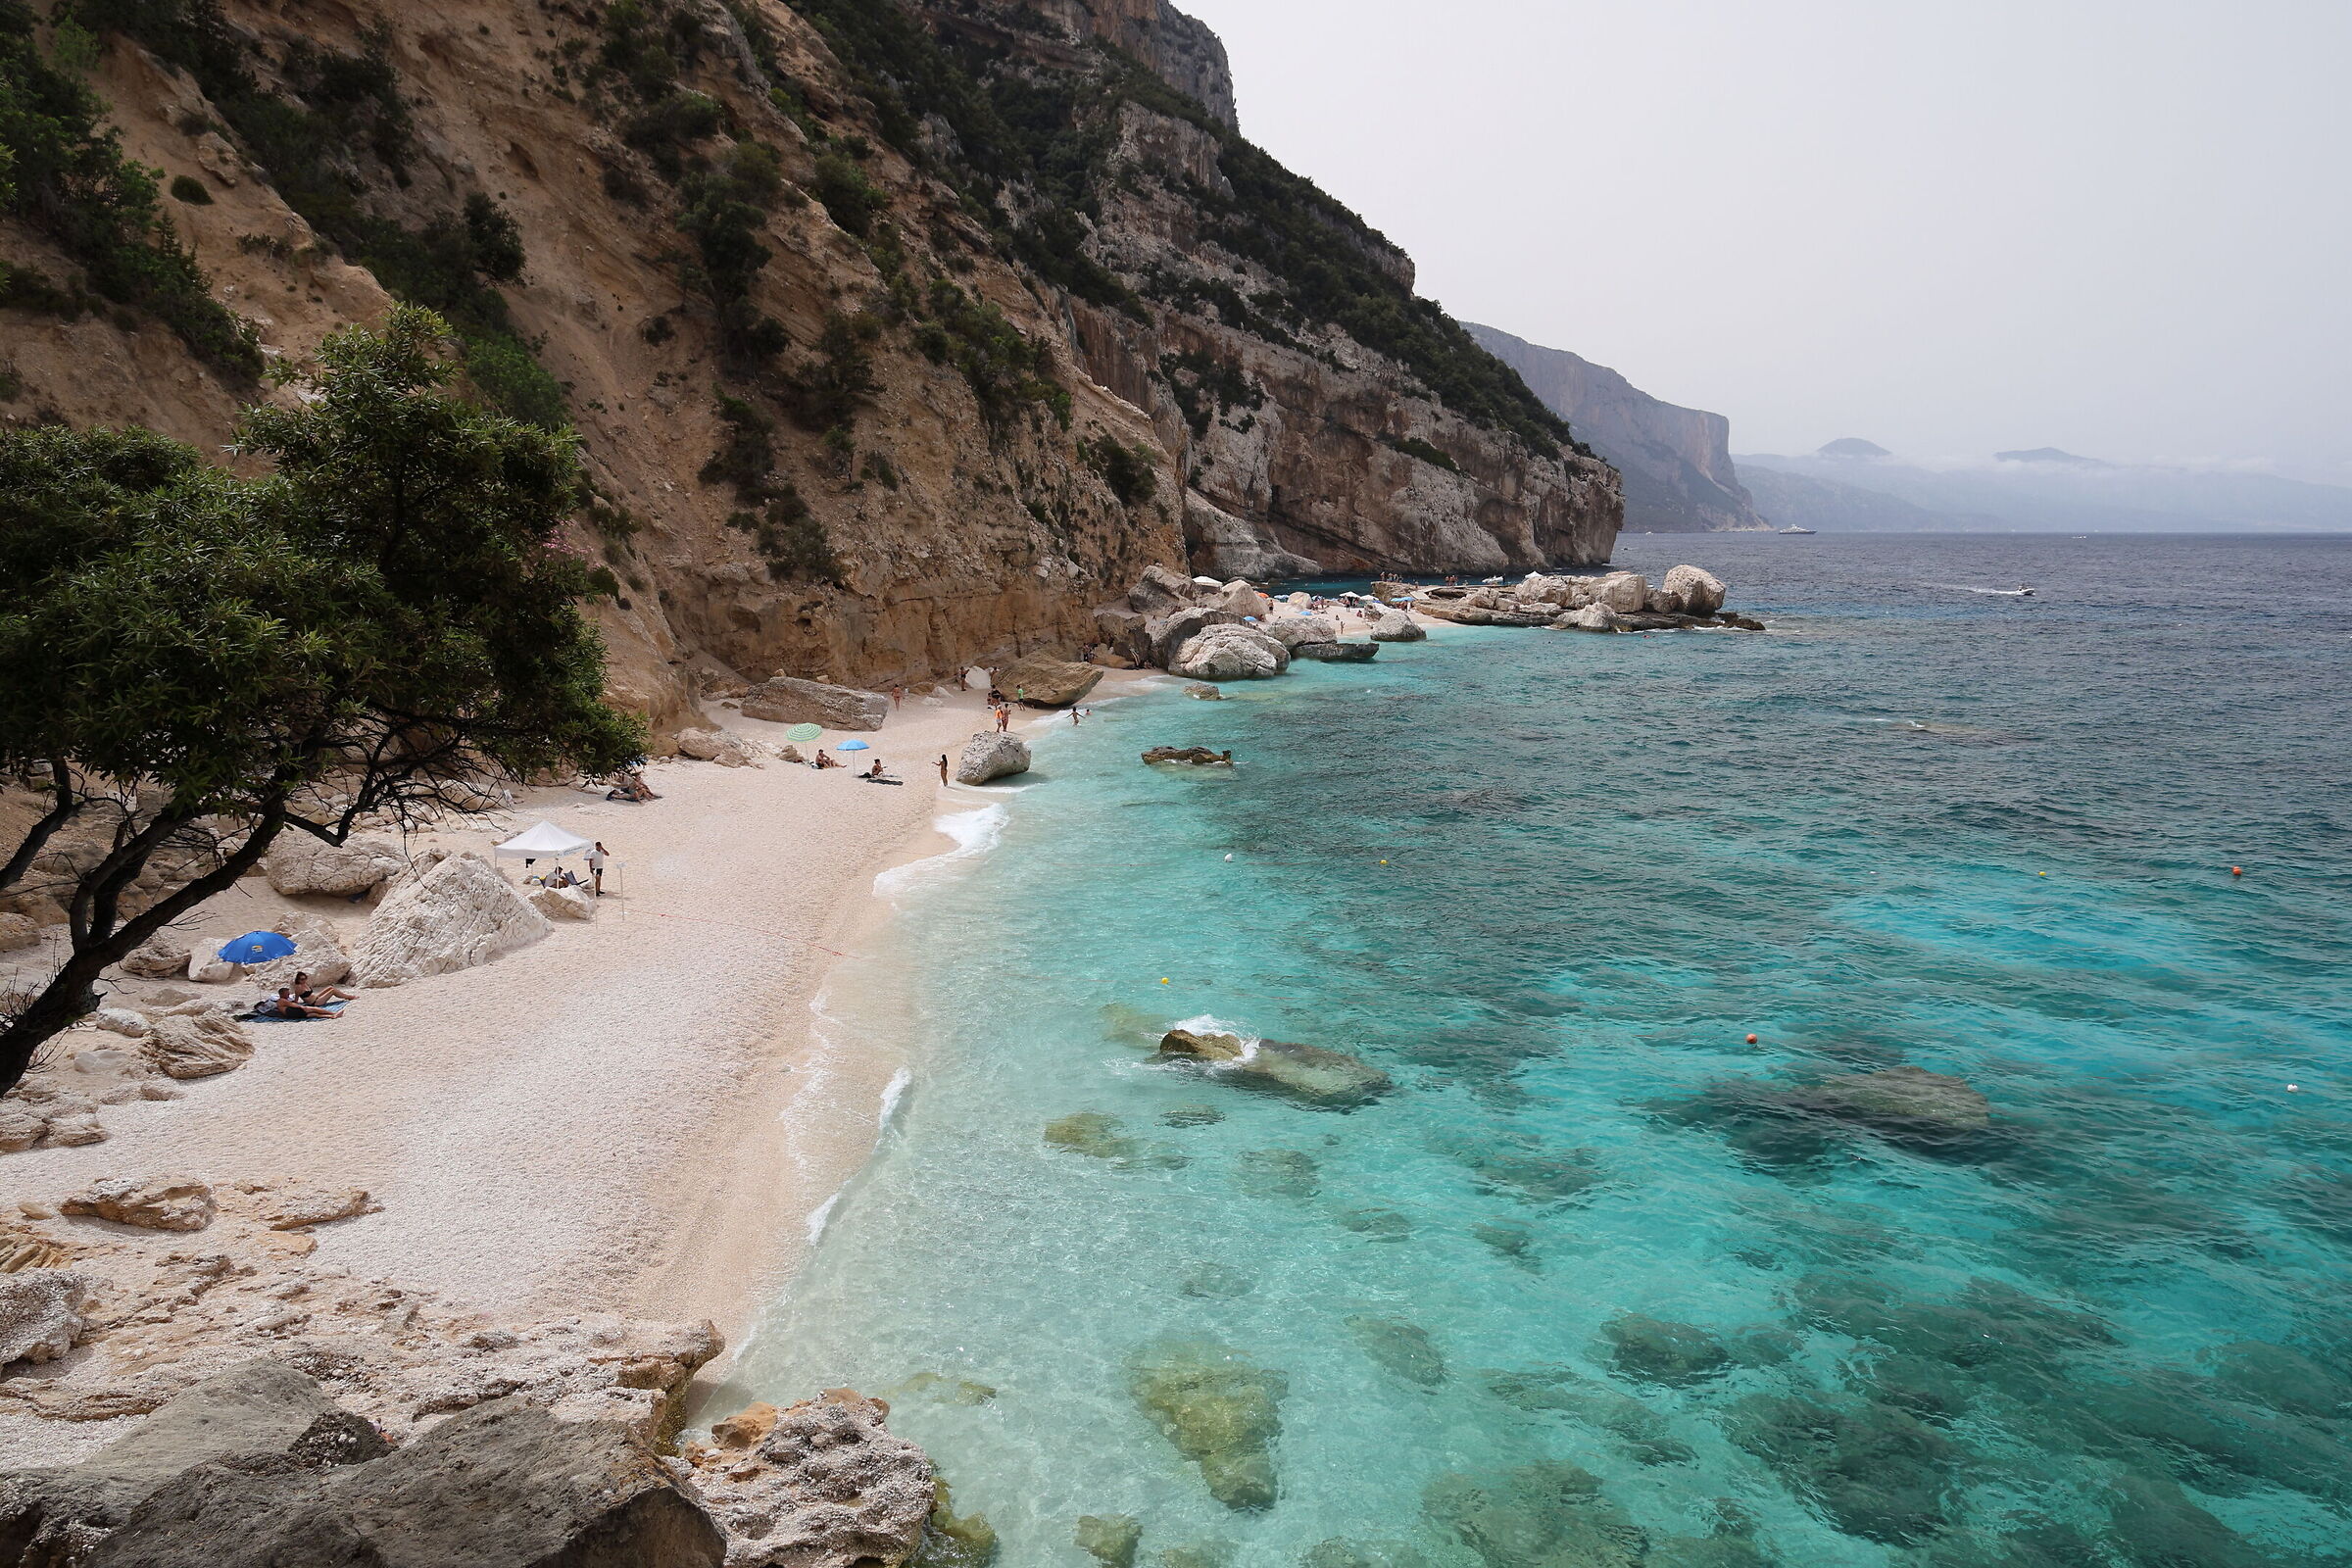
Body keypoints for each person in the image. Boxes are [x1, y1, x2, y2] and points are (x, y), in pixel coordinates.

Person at [293, 972, 357, 1005]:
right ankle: (349, 997)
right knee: (332, 991)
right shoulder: (298, 987)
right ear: (298, 980)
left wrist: (305, 1000)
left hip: (316, 997)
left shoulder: (304, 984)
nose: (304, 980)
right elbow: (297, 999)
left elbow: (305, 996)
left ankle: (347, 996)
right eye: (302, 979)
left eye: (305, 978)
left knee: (330, 987)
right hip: (315, 1002)